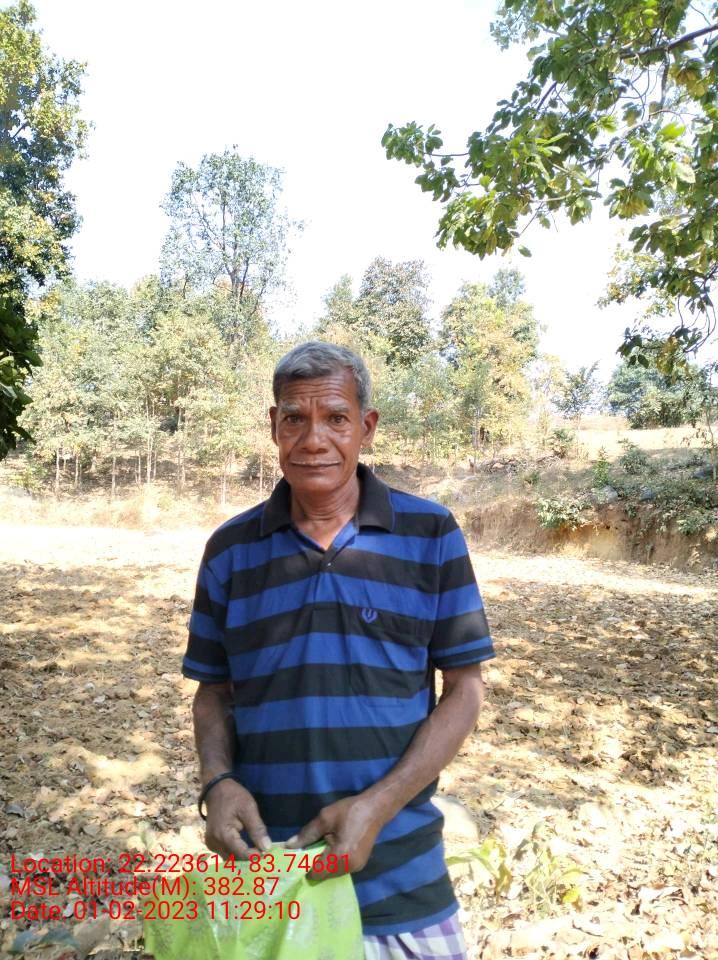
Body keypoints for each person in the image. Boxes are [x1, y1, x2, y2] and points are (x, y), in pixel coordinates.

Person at [182, 341, 495, 959]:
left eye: (335, 418)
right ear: (273, 426)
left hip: (401, 878)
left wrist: (377, 807)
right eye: (294, 418)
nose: (313, 439)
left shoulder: (430, 535)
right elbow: (213, 691)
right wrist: (217, 781)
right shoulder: (230, 550)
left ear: (366, 428)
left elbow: (464, 690)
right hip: (271, 874)